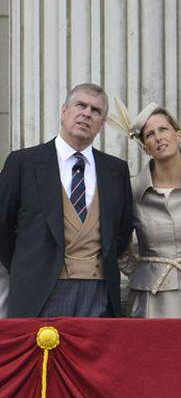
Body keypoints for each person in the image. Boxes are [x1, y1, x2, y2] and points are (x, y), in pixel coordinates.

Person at [0, 83, 133, 317]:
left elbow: (121, 232)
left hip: (99, 292)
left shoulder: (116, 170)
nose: (86, 113)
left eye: (96, 111)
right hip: (38, 292)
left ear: (101, 125)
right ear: (64, 112)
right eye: (80, 105)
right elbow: (3, 228)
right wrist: (29, 268)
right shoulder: (22, 163)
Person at [108, 100, 181, 318]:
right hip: (148, 298)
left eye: (163, 129)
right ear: (144, 146)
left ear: (178, 134)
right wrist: (144, 272)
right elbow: (119, 243)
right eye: (150, 134)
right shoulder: (131, 190)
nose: (159, 137)